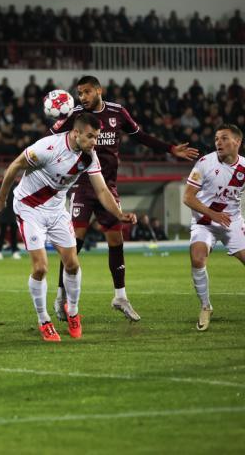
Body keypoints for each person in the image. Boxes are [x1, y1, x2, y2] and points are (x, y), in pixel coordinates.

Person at [49, 75, 198, 322]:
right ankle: (61, 295)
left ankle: (120, 296)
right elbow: (50, 139)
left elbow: (141, 136)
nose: (82, 97)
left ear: (99, 90)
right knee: (74, 245)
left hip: (108, 187)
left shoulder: (117, 112)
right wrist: (58, 123)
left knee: (116, 240)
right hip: (81, 185)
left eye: (86, 92)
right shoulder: (74, 114)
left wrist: (170, 149)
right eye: (80, 93)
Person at [0, 113, 137, 342]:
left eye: (97, 137)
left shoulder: (89, 156)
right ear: (76, 133)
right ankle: (44, 321)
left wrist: (119, 214)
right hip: (29, 209)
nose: (94, 142)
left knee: (72, 264)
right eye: (90, 136)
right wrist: (1, 198)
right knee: (40, 268)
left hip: (57, 210)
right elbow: (14, 166)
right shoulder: (48, 147)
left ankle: (73, 312)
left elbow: (101, 191)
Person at [182, 124, 245, 331]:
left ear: (237, 142)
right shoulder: (204, 163)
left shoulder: (244, 167)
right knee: (197, 257)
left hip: (232, 221)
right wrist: (213, 214)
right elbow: (188, 198)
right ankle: (205, 306)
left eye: (224, 138)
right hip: (204, 222)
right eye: (217, 138)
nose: (218, 142)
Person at [0, 182, 20, 260]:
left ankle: (15, 252)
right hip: (3, 212)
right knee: (2, 234)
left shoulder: (17, 184)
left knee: (13, 234)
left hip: (14, 212)